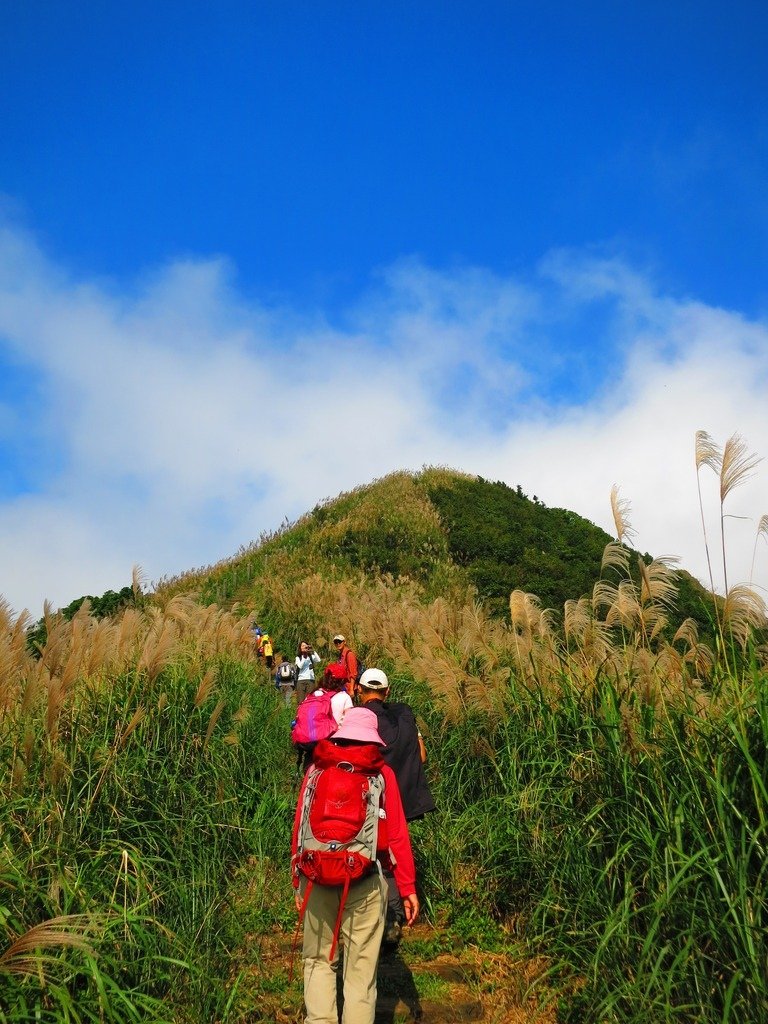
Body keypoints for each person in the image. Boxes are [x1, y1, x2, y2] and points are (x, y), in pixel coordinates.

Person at [291, 707, 419, 1024]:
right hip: (364, 880)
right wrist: (407, 888)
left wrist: (297, 879)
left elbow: (299, 827)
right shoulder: (381, 774)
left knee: (319, 961)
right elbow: (398, 835)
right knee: (360, 975)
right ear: (372, 739)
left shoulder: (315, 770)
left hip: (317, 877)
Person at [356, 667, 436, 946]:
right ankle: (393, 917)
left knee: (370, 852)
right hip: (402, 796)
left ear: (359, 690)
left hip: (369, 799)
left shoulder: (359, 720)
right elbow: (422, 757)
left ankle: (368, 914)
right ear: (387, 692)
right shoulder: (404, 715)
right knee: (392, 853)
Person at [294, 663, 353, 771]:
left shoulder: (314, 694)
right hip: (332, 748)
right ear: (342, 681)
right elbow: (349, 725)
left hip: (311, 746)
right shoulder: (344, 697)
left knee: (309, 780)